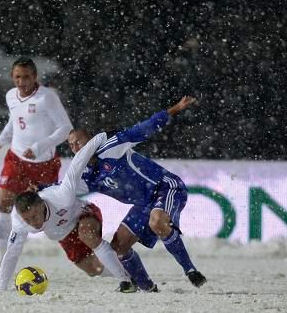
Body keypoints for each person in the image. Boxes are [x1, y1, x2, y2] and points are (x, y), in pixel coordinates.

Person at [67, 96, 207, 290]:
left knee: (157, 221)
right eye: (71, 146)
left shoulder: (111, 146)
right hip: (143, 204)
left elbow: (144, 128)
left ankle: (191, 271)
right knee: (118, 249)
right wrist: (40, 190)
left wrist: (174, 109)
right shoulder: (87, 177)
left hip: (165, 187)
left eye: (79, 142)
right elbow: (64, 190)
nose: (75, 148)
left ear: (91, 141)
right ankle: (147, 287)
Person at [0, 132, 136, 292]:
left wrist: (101, 137)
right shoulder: (19, 223)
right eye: (28, 220)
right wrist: (1, 287)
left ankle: (125, 281)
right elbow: (12, 254)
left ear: (41, 205)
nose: (33, 223)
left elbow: (78, 162)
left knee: (86, 234)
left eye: (34, 216)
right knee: (94, 270)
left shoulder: (61, 195)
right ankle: (130, 274)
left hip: (82, 214)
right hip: (62, 234)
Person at [0, 57, 73, 275]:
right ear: (12, 77)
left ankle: (79, 250)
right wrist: (0, 141)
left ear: (35, 77)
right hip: (15, 160)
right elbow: (13, 121)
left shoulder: (47, 97)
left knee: (46, 216)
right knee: (3, 205)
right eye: (17, 77)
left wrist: (38, 147)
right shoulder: (10, 96)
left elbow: (65, 128)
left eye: (26, 77)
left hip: (44, 165)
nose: (21, 81)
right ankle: (1, 261)